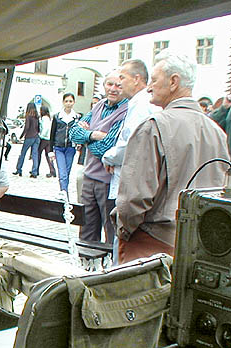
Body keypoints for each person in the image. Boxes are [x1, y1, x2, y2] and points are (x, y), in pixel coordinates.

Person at [113, 50, 229, 264]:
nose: (149, 87)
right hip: (197, 242)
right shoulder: (216, 132)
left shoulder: (154, 127)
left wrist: (125, 230)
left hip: (152, 243)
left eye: (154, 80)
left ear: (174, 81)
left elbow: (133, 199)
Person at [101, 59, 157, 255]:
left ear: (137, 79)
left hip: (129, 182)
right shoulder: (138, 103)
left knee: (122, 242)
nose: (119, 82)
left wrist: (109, 158)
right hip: (129, 177)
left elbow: (130, 143)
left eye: (122, 77)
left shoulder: (141, 104)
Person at [69, 71, 128, 244]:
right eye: (110, 84)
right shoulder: (99, 105)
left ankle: (110, 269)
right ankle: (87, 267)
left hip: (108, 182)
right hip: (89, 176)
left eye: (118, 85)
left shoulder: (125, 111)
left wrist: (86, 137)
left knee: (111, 232)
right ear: (104, 85)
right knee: (86, 230)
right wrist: (94, 135)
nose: (114, 89)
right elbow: (73, 132)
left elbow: (108, 147)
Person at [48, 93, 81, 196]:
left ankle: (64, 192)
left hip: (71, 148)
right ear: (63, 102)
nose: (68, 103)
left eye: (70, 101)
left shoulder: (77, 117)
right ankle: (64, 193)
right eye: (66, 101)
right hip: (59, 147)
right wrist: (50, 150)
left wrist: (79, 143)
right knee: (62, 173)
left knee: (67, 172)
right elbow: (52, 133)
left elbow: (79, 132)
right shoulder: (57, 117)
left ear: (74, 102)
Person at [13, 102, 40, 177]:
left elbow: (27, 127)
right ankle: (34, 172)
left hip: (29, 137)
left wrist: (21, 136)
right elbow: (38, 127)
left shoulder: (28, 116)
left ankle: (19, 169)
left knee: (23, 154)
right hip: (36, 137)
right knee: (35, 155)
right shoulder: (36, 116)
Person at [36, 105, 56, 178]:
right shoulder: (49, 118)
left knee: (38, 154)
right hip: (49, 139)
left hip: (44, 138)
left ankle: (36, 169)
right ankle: (52, 170)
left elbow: (46, 128)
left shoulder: (44, 118)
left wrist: (41, 135)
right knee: (48, 155)